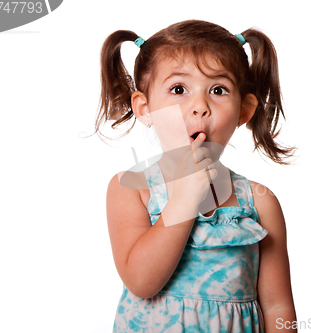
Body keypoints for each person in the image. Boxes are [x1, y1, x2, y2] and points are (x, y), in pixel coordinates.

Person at [95, 19, 297, 332]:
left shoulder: (259, 202)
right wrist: (185, 197)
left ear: (244, 110)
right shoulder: (131, 188)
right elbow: (141, 281)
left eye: (218, 90)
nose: (199, 106)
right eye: (179, 89)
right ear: (145, 107)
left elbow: (278, 305)